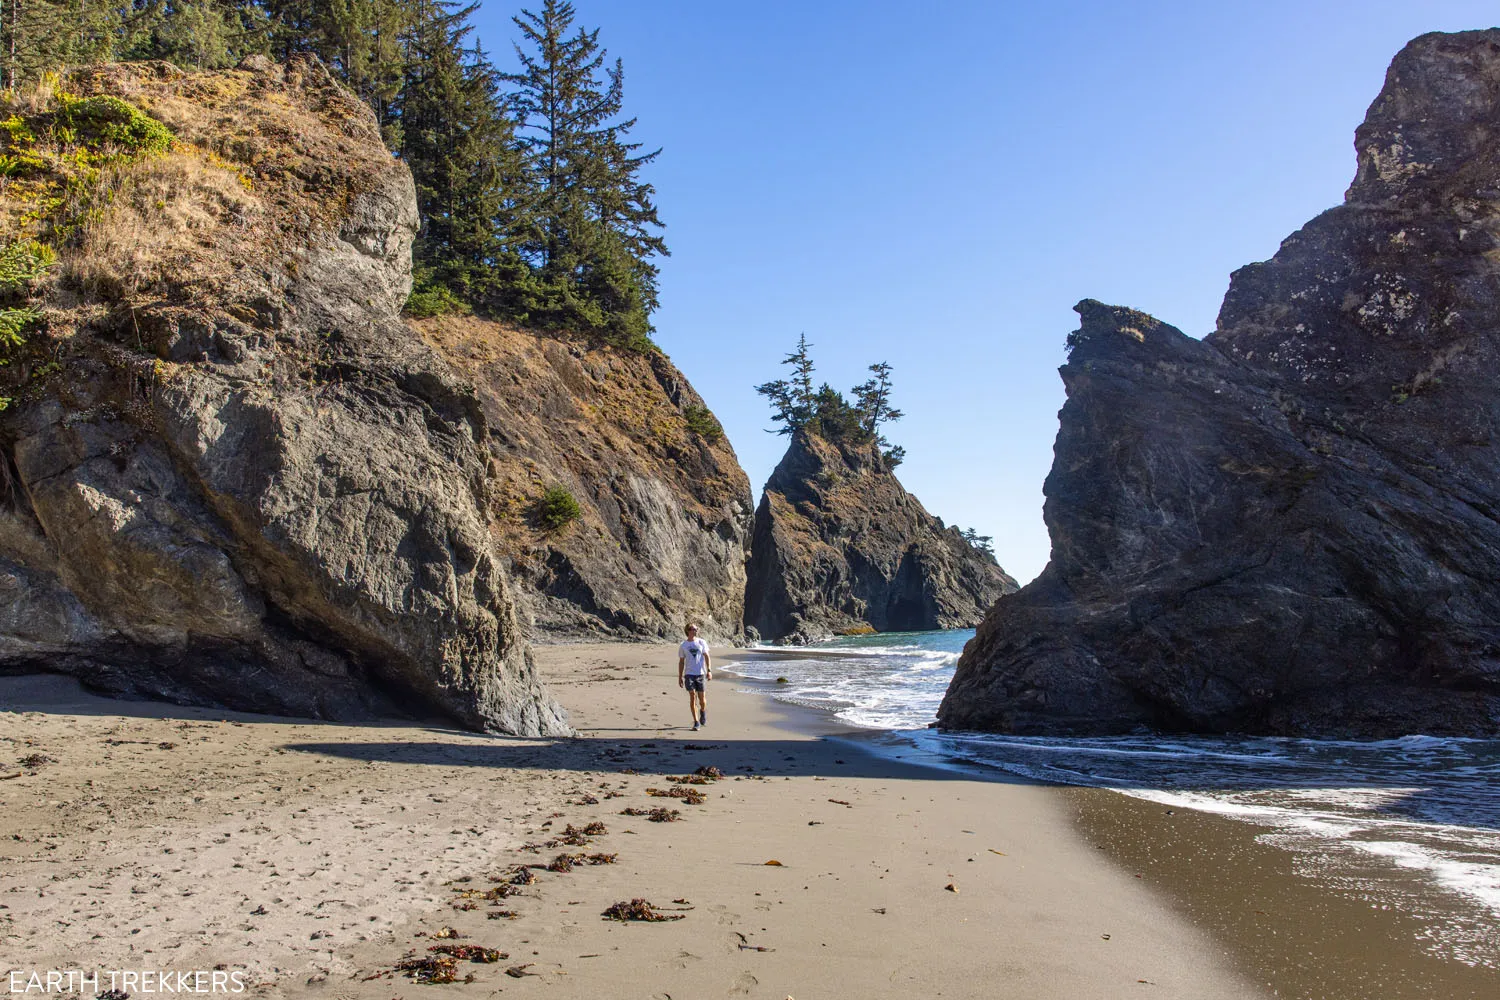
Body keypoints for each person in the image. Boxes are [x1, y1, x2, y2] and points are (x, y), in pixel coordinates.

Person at [677, 623, 711, 731]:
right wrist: (680, 676)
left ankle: (703, 711)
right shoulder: (683, 645)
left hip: (700, 673)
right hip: (689, 674)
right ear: (688, 630)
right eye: (693, 629)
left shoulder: (701, 642)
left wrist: (709, 670)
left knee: (702, 700)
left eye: (696, 629)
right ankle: (696, 722)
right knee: (692, 696)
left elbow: (707, 656)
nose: (695, 630)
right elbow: (681, 662)